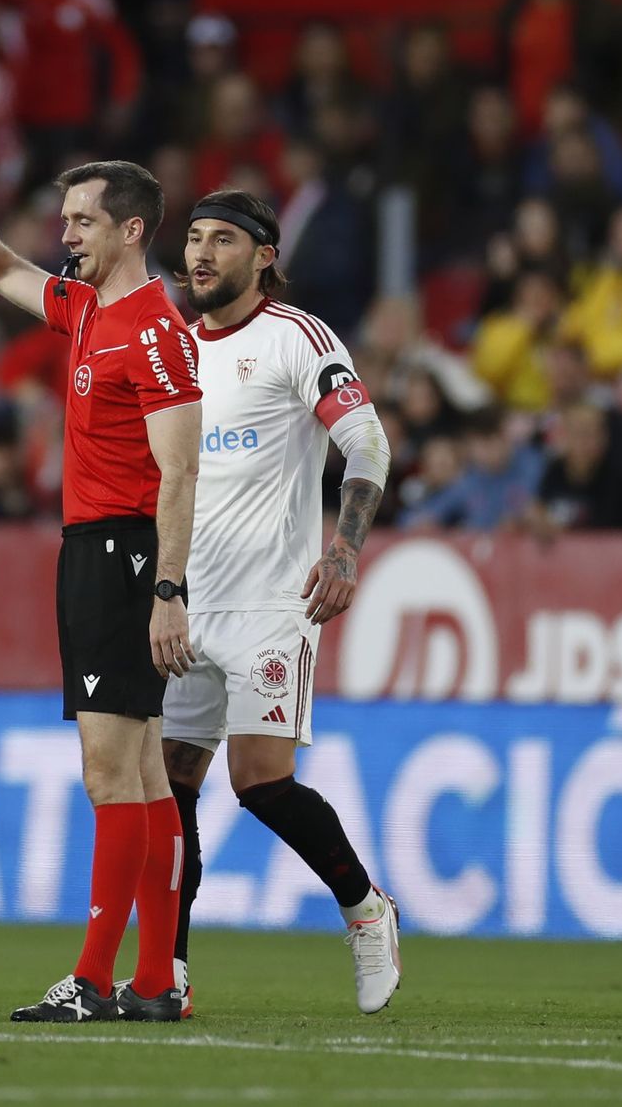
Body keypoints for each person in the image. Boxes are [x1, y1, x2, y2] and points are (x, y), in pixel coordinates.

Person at [0, 149, 202, 1022]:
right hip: (95, 550)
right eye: (65, 220)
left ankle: (94, 981)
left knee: (110, 774)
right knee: (143, 775)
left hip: (126, 556)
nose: (65, 234)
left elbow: (180, 471)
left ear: (131, 229)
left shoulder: (154, 329)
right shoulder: (86, 307)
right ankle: (154, 983)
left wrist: (168, 591)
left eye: (83, 221)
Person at [164, 189, 400, 1018]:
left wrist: (344, 548)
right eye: (194, 238)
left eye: (222, 240)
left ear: (264, 255)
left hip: (272, 601)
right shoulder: (174, 349)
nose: (201, 254)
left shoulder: (298, 337)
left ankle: (365, 909)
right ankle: (167, 971)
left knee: (260, 782)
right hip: (185, 602)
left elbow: (367, 442)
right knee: (170, 788)